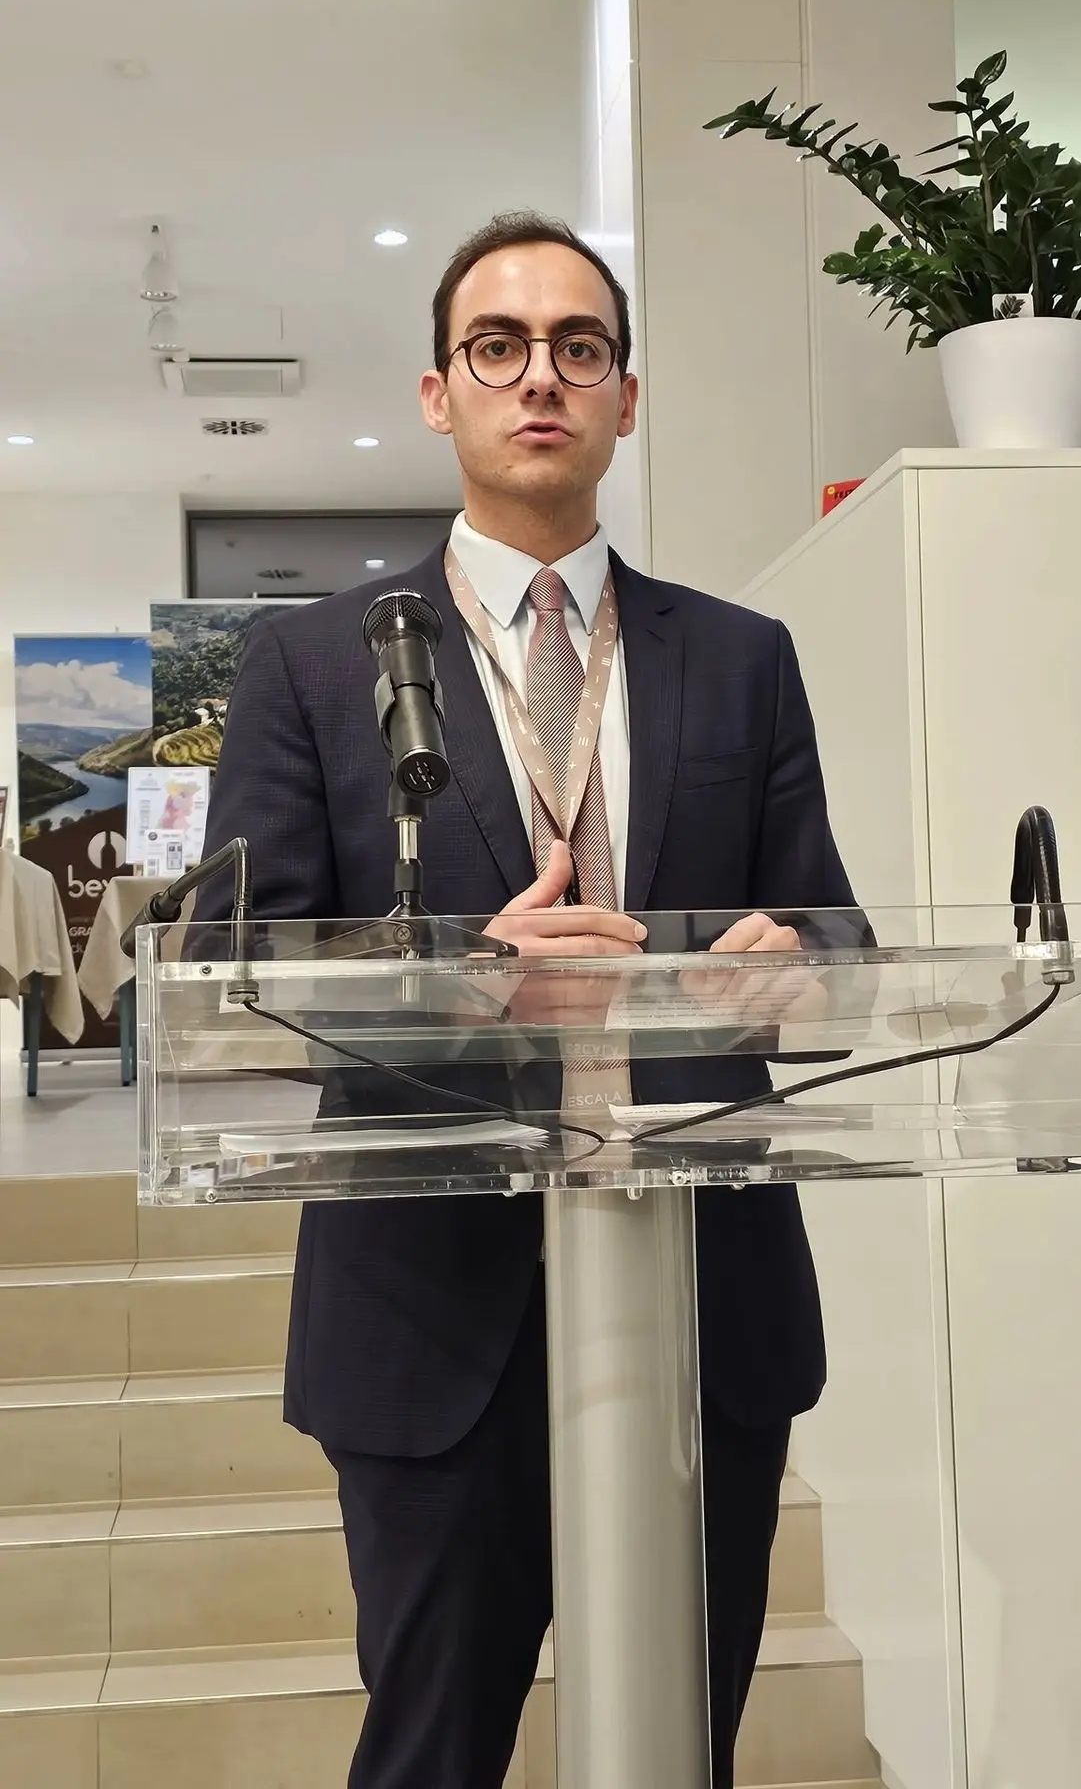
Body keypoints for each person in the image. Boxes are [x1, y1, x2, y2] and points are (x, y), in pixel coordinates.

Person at [196, 210, 859, 1789]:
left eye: (578, 347)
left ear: (627, 395)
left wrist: (787, 965)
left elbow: (835, 926)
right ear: (441, 394)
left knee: (681, 1745)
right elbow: (239, 963)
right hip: (430, 1304)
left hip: (702, 1294)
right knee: (433, 1751)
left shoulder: (743, 657)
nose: (540, 377)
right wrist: (462, 984)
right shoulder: (311, 664)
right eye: (498, 348)